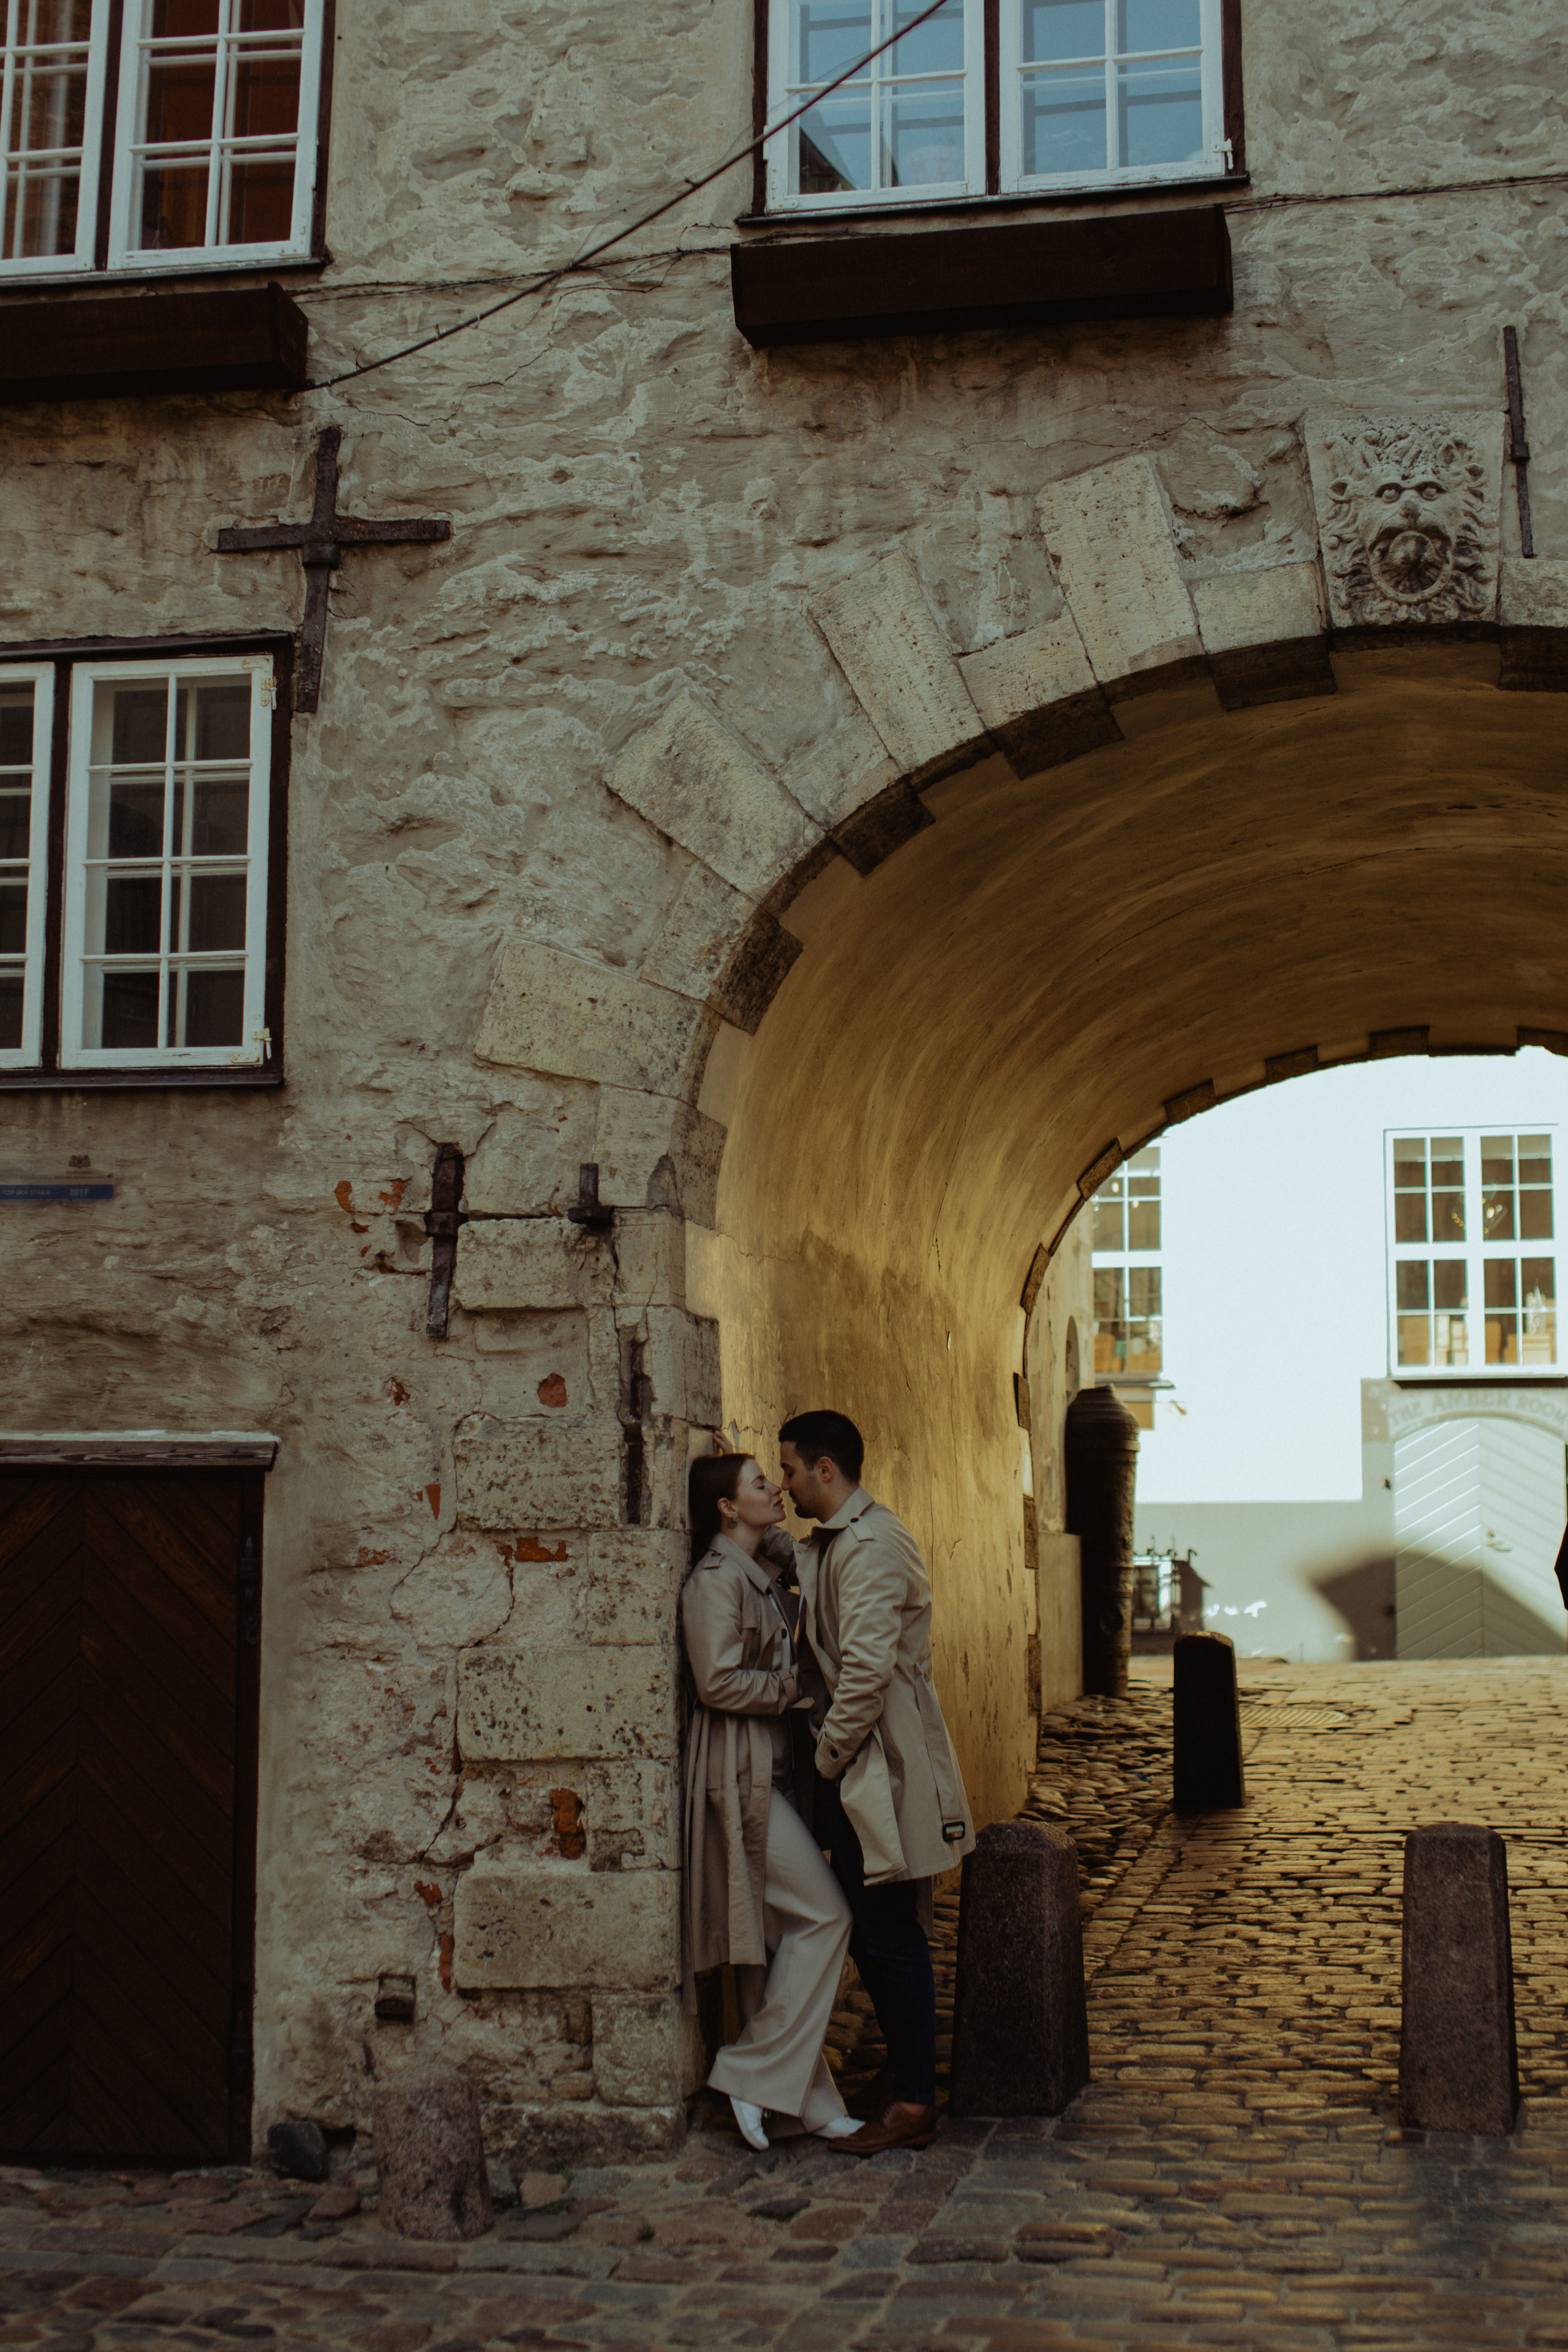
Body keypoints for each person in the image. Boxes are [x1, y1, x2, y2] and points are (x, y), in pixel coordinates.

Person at [777, 1409, 975, 2157]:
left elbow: (864, 1674)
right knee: (869, 1929)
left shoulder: (871, 1547)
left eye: (789, 1471)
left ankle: (916, 2101)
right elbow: (797, 1560)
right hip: (857, 1767)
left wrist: (826, 1762)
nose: (785, 1484)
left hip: (874, 1770)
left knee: (890, 1934)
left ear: (825, 1470)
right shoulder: (837, 1542)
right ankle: (906, 2077)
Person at [680, 1449, 861, 2150]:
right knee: (825, 1916)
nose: (777, 1489)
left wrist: (777, 1541)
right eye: (760, 1484)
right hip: (739, 1771)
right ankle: (750, 2074)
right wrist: (792, 1690)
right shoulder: (715, 1581)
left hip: (774, 1772)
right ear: (727, 1507)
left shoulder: (759, 1567)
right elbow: (717, 1681)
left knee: (775, 1941)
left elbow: (798, 1560)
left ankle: (807, 2106)